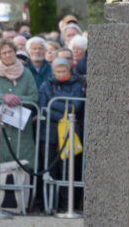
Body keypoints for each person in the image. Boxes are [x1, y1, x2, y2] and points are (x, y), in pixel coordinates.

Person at [0, 39, 39, 174]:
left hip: (21, 128)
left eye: (10, 52)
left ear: (15, 52)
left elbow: (34, 97)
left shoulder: (26, 73)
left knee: (23, 164)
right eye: (4, 53)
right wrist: (3, 98)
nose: (8, 55)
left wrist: (18, 99)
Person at [38, 57, 86, 210]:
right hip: (49, 132)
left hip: (69, 133)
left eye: (63, 70)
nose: (60, 74)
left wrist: (54, 102)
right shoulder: (46, 85)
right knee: (50, 169)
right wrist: (62, 114)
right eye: (57, 71)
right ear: (53, 71)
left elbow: (76, 106)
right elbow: (43, 107)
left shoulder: (76, 86)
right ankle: (49, 204)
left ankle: (66, 205)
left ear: (69, 70)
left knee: (67, 170)